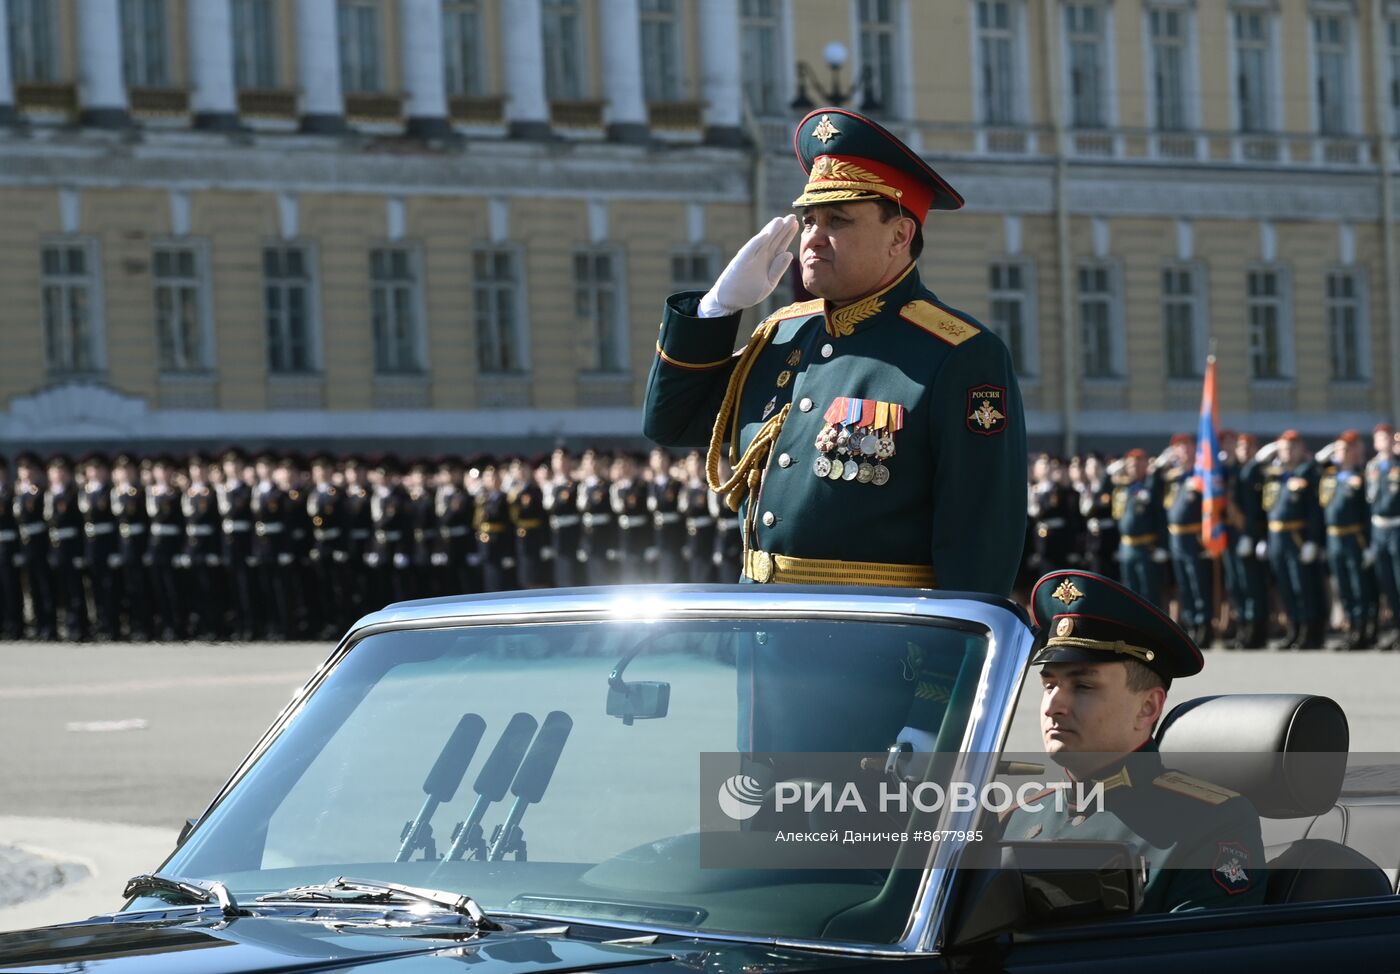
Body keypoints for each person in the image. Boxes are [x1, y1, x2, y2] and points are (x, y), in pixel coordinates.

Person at [643, 107, 1025, 596]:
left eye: (838, 220)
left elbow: (978, 540)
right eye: (808, 220)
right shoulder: (783, 334)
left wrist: (946, 669)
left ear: (900, 236)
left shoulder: (959, 354)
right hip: (762, 631)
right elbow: (671, 423)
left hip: (878, 646)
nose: (813, 238)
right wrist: (715, 311)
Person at [1000, 569, 1266, 913]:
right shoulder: (1016, 817)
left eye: (1083, 686)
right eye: (1049, 686)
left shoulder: (1210, 823)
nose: (1053, 706)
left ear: (1147, 707)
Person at [1265, 431, 1325, 648]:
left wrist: (1313, 540)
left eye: (1292, 447)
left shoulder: (1308, 472)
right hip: (1277, 537)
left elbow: (1315, 509)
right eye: (1283, 447)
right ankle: (1294, 629)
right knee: (1286, 587)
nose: (1287, 451)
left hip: (1297, 537)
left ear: (1301, 448)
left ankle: (1309, 633)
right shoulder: (1275, 473)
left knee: (1303, 586)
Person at [1321, 431, 1374, 649]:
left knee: (1358, 586)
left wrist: (1369, 544)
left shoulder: (1360, 476)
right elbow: (1317, 462)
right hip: (1334, 538)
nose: (1339, 454)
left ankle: (1363, 630)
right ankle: (1351, 629)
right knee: (1343, 587)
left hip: (1354, 538)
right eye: (1337, 450)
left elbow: (1367, 512)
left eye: (1344, 450)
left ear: (1353, 453)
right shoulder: (1329, 476)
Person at [1163, 434, 1212, 648]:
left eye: (1185, 447)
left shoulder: (1202, 475)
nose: (1181, 452)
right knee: (1183, 584)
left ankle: (1204, 625)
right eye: (1177, 448)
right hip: (1176, 538)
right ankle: (1191, 624)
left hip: (1195, 538)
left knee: (1198, 583)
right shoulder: (1174, 477)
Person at [1113, 449, 1168, 607]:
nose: (1134, 468)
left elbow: (1161, 517)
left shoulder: (1152, 486)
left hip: (1146, 547)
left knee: (1149, 594)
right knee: (1130, 593)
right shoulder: (1124, 487)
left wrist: (1162, 546)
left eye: (1139, 464)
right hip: (1127, 547)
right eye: (1130, 465)